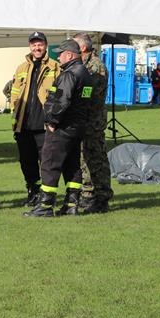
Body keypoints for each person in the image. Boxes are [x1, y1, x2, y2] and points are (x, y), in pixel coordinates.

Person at [25, 39, 92, 217]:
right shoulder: (85, 73)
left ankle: (45, 206)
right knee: (72, 165)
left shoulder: (69, 74)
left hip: (63, 127)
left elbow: (62, 101)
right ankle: (71, 204)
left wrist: (52, 121)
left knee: (49, 163)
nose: (58, 58)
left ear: (69, 55)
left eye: (60, 54)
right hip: (78, 126)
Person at [10, 31, 61, 205]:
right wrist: (15, 114)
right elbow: (14, 94)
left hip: (44, 125)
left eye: (40, 44)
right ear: (29, 46)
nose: (37, 48)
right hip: (24, 124)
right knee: (27, 162)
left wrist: (55, 118)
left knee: (46, 162)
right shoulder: (21, 68)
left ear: (46, 46)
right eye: (34, 44)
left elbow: (60, 95)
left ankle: (47, 196)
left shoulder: (55, 67)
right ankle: (33, 191)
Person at [71, 32, 113, 214]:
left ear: (83, 47)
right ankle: (88, 194)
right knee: (84, 158)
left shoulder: (95, 66)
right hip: (84, 119)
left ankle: (100, 197)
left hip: (92, 121)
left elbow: (88, 92)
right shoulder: (82, 64)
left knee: (95, 159)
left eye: (74, 45)